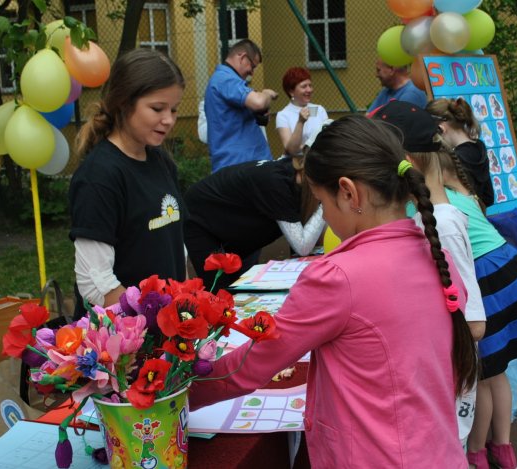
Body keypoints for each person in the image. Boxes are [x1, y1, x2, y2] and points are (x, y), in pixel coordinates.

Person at [190, 115, 478, 468]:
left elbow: (253, 364)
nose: (324, 216)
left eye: (321, 203)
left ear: (348, 192)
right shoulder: (437, 256)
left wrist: (178, 393)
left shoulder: (338, 277)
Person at [374, 100, 486, 449]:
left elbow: (474, 323)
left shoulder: (442, 225)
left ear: (408, 164)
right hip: (438, 375)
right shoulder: (431, 218)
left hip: (446, 378)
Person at [437, 148, 517, 469]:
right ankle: (503, 448)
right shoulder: (461, 193)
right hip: (508, 267)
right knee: (497, 373)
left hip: (487, 278)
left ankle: (476, 451)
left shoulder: (429, 205)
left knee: (482, 376)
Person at [68, 49, 187, 317]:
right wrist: (151, 324)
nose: (169, 120)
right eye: (157, 108)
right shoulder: (99, 176)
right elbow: (94, 283)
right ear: (124, 103)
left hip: (165, 328)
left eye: (174, 109)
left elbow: (176, 247)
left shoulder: (161, 161)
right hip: (123, 335)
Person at [182, 145, 325, 291]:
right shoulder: (279, 183)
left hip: (235, 225)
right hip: (201, 218)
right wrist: (326, 201)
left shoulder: (297, 182)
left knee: (239, 289)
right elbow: (302, 246)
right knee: (220, 293)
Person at [204, 39, 278, 172]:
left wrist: (258, 115)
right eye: (252, 66)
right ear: (242, 57)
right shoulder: (225, 79)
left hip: (245, 164)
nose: (252, 73)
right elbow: (258, 102)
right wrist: (267, 94)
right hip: (239, 166)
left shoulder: (228, 81)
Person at [427, 98, 495, 208]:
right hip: (479, 215)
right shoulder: (479, 147)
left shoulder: (452, 159)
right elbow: (488, 198)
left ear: (440, 129)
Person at [276, 67, 329, 156]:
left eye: (310, 85)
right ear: (291, 92)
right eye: (304, 86)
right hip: (297, 162)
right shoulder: (283, 115)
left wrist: (302, 147)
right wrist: (300, 122)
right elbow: (291, 150)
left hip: (320, 159)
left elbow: (328, 139)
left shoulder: (319, 109)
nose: (309, 90)